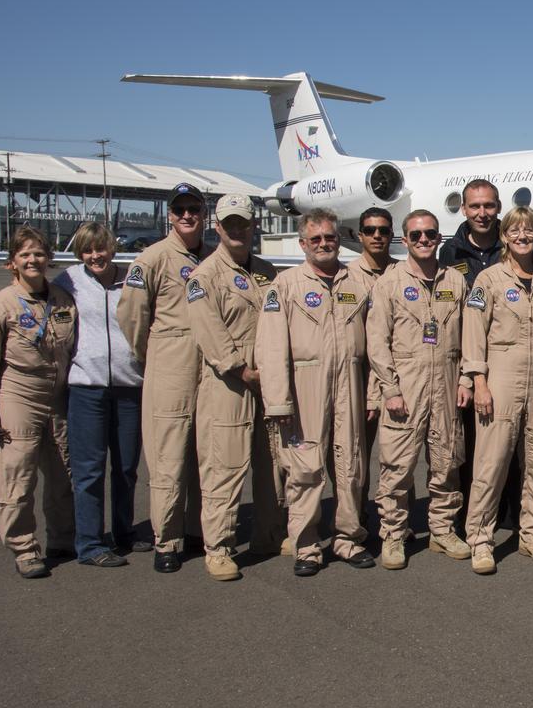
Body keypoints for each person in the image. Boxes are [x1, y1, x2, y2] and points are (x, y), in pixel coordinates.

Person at [0, 222, 148, 566]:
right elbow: (24, 300)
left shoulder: (130, 280)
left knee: (124, 467)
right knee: (86, 470)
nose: (95, 255)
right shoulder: (68, 282)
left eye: (101, 248)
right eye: (87, 250)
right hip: (82, 388)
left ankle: (121, 532)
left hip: (126, 387)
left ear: (112, 249)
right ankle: (87, 543)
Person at [257, 208, 375, 577]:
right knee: (305, 468)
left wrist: (372, 393)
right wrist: (278, 400)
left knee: (351, 463)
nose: (324, 244)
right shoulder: (286, 285)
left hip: (351, 380)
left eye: (330, 237)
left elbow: (375, 345)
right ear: (303, 244)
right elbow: (271, 347)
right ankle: (306, 545)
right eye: (316, 239)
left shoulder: (356, 283)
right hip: (305, 382)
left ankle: (347, 538)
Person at [462, 207, 533, 574]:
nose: (522, 236)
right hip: (501, 373)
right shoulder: (489, 279)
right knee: (491, 462)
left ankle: (532, 534)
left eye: (529, 230)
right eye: (515, 230)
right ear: (505, 236)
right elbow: (473, 332)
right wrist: (478, 380)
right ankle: (480, 539)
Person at [186, 194, 288, 581]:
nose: (237, 230)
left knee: (272, 463)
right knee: (224, 467)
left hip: (267, 380)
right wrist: (240, 368)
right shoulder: (204, 277)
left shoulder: (267, 271)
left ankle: (269, 534)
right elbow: (209, 333)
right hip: (228, 383)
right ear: (217, 227)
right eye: (229, 224)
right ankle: (220, 547)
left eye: (243, 222)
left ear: (253, 225)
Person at [0, 227, 77, 578]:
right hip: (18, 397)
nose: (33, 260)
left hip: (56, 398)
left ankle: (63, 538)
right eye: (25, 255)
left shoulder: (63, 299)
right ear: (12, 263)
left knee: (63, 476)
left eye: (39, 254)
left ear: (48, 259)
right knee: (17, 478)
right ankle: (24, 547)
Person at [367, 210, 473, 569]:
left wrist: (466, 379)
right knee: (396, 467)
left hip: (445, 383)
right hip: (406, 388)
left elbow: (470, 336)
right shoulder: (389, 283)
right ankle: (394, 535)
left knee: (446, 464)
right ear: (405, 240)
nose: (424, 240)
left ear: (439, 238)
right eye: (416, 235)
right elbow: (377, 342)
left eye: (430, 234)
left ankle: (442, 530)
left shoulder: (455, 282)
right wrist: (390, 389)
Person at [118, 183, 214, 573]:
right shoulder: (152, 258)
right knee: (168, 456)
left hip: (209, 363)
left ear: (203, 214)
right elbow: (132, 317)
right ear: (169, 216)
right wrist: (155, 354)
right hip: (171, 360)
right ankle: (167, 539)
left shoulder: (213, 257)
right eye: (180, 210)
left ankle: (196, 529)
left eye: (194, 209)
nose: (187, 216)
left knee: (204, 453)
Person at [438, 179, 522, 530]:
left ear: (498, 206)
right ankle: (472, 513)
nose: (482, 213)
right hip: (464, 359)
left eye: (489, 206)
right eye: (475, 206)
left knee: (508, 436)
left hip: (505, 358)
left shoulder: (513, 244)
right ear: (464, 210)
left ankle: (513, 511)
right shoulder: (450, 253)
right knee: (469, 439)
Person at [349, 206, 398, 525]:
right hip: (359, 376)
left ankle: (394, 520)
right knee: (356, 455)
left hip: (398, 377)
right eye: (370, 230)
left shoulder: (403, 272)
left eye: (383, 230)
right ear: (360, 235)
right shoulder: (346, 276)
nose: (377, 236)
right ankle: (356, 520)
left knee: (396, 457)